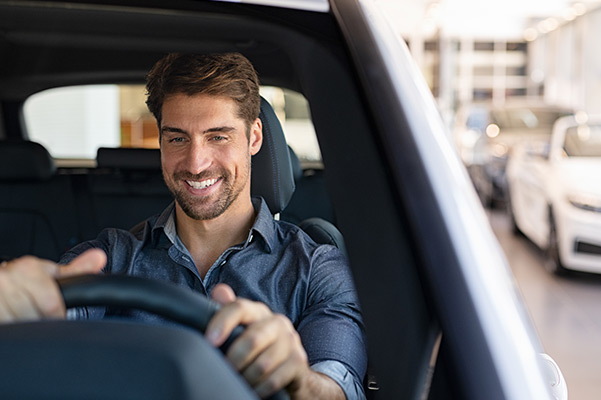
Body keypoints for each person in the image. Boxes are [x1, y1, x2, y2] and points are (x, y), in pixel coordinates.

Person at [0, 53, 367, 400]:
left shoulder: (318, 268)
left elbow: (337, 384)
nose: (195, 163)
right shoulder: (111, 257)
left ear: (254, 137)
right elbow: (51, 317)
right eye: (177, 138)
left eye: (218, 136)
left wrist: (298, 379)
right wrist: (16, 309)